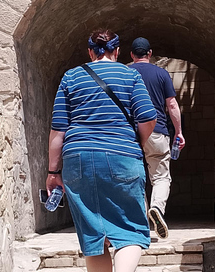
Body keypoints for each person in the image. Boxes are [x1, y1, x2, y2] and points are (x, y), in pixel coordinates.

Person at [47, 29, 157, 272]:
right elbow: (149, 118)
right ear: (117, 51)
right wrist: (134, 143)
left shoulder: (71, 77)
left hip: (78, 158)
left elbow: (58, 131)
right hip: (122, 155)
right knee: (130, 232)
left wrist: (53, 172)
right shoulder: (130, 76)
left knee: (94, 235)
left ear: (90, 52)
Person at [128, 37, 185, 240]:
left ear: (132, 55)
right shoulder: (161, 74)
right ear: (149, 53)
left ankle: (140, 223)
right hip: (157, 131)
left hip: (130, 134)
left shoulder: (125, 73)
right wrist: (178, 131)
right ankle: (157, 209)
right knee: (161, 176)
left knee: (134, 178)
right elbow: (171, 105)